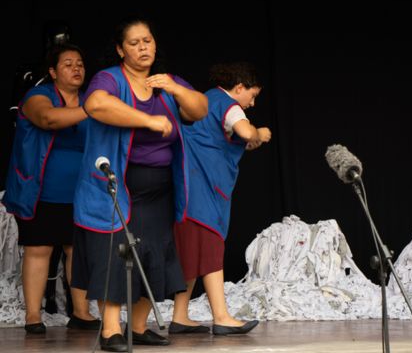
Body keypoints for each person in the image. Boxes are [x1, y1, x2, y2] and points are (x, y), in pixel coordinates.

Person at [71, 17, 207, 352]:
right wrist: (147, 119)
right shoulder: (110, 79)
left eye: (147, 40)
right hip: (115, 187)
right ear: (120, 49)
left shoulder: (166, 82)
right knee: (114, 254)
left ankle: (138, 325)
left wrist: (176, 90)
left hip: (159, 190)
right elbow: (95, 104)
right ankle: (110, 331)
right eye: (134, 43)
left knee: (155, 253)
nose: (143, 47)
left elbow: (199, 109)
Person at [3, 43, 100, 333]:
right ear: (53, 71)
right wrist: (91, 109)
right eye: (68, 63)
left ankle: (80, 312)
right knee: (39, 249)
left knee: (76, 250)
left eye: (80, 63)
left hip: (81, 192)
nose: (76, 68)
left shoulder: (87, 101)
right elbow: (49, 119)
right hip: (40, 191)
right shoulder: (37, 97)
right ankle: (33, 315)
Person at [170, 62, 271, 335]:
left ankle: (180, 316)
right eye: (252, 95)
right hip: (204, 190)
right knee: (212, 249)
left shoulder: (204, 101)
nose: (251, 103)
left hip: (188, 186)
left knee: (191, 254)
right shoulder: (229, 104)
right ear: (239, 87)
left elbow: (220, 140)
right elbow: (246, 132)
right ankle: (222, 316)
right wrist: (259, 132)